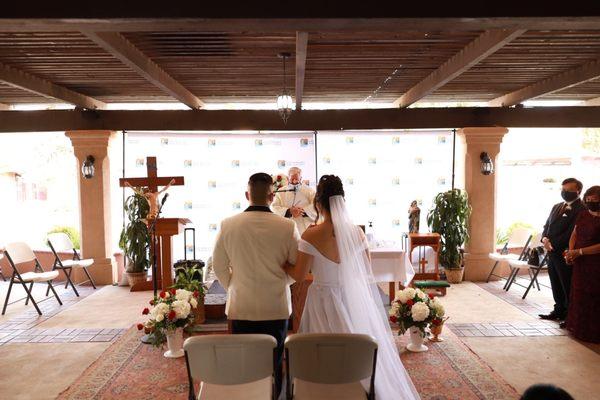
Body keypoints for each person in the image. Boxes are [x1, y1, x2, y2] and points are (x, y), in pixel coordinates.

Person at [283, 175, 420, 400]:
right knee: (354, 348)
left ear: (318, 202)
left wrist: (284, 264)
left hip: (320, 300)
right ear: (342, 201)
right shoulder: (357, 233)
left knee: (320, 351)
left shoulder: (311, 234)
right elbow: (366, 273)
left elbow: (298, 275)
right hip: (351, 298)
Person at [212, 172, 300, 397]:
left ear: (246, 194)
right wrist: (281, 282)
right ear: (272, 196)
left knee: (244, 362)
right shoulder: (287, 226)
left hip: (241, 305)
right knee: (275, 360)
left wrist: (234, 285)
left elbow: (219, 266)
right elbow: (295, 267)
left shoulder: (228, 225)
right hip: (276, 306)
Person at [539, 178, 585, 324]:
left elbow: (572, 232)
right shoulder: (557, 206)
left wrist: (554, 245)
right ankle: (558, 309)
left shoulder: (582, 209)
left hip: (564, 252)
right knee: (555, 282)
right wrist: (544, 240)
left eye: (568, 190)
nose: (564, 193)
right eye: (563, 189)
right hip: (551, 252)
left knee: (567, 284)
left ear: (578, 191)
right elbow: (547, 226)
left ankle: (569, 314)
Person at [564, 185, 600, 340]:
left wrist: (579, 252)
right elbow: (574, 234)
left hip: (596, 263)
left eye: (595, 200)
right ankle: (578, 328)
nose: (590, 202)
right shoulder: (583, 215)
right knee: (579, 293)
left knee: (594, 296)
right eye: (588, 199)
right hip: (580, 262)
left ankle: (593, 332)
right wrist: (571, 252)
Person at [272, 167, 317, 234]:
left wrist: (304, 211)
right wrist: (289, 211)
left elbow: (316, 206)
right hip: (286, 228)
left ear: (301, 178)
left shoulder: (309, 191)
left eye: (297, 179)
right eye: (292, 179)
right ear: (288, 178)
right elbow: (274, 207)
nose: (294, 181)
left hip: (304, 228)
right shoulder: (281, 191)